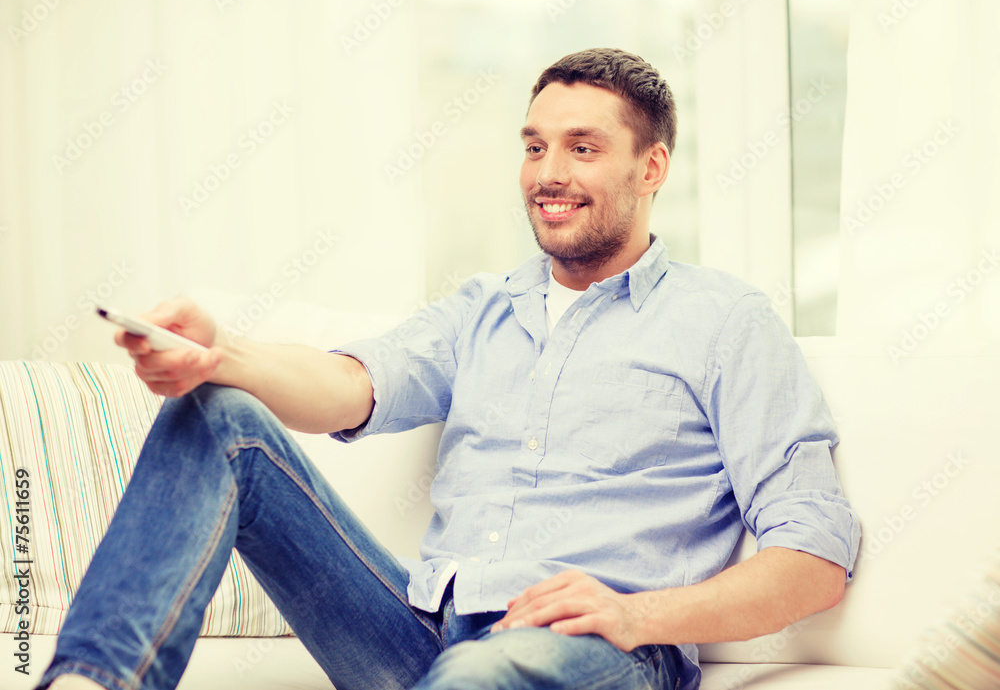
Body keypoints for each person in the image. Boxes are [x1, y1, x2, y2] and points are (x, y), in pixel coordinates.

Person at [40, 48, 860, 690]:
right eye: (535, 146)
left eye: (583, 148)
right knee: (221, 415)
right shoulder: (481, 308)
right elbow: (348, 388)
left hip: (596, 653)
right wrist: (224, 355)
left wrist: (638, 614)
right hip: (422, 637)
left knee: (486, 672)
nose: (549, 174)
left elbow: (816, 555)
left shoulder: (726, 321)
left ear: (652, 168)